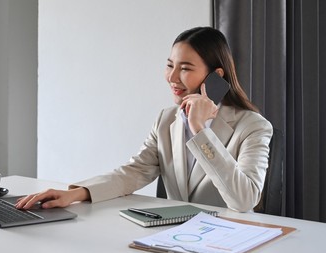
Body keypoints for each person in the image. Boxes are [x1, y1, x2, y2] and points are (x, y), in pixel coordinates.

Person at [16, 26, 273, 213]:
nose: (172, 78)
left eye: (185, 68)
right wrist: (75, 193)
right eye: (170, 65)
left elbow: (244, 200)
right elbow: (133, 172)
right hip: (175, 238)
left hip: (231, 242)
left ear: (216, 76)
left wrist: (199, 130)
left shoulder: (252, 126)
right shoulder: (167, 120)